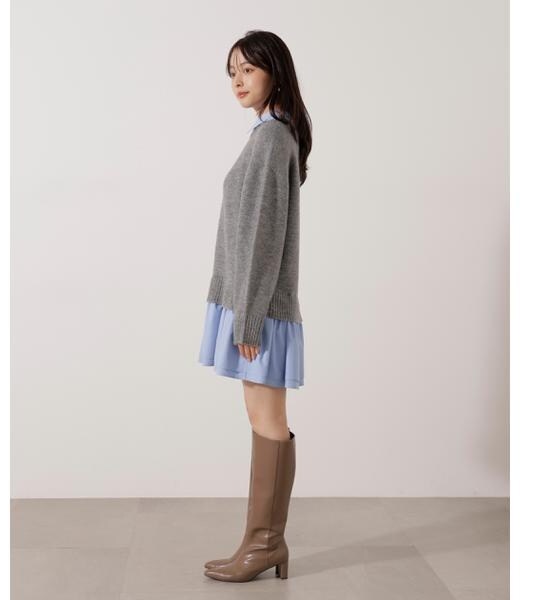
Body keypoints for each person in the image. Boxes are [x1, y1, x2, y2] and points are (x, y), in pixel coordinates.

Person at [198, 30, 312, 583]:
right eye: (232, 73)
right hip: (255, 303)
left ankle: (265, 544)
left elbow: (264, 239)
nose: (238, 81)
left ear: (274, 71)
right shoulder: (271, 134)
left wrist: (248, 317)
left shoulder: (270, 140)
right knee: (263, 417)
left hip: (259, 308)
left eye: (247, 69)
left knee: (268, 418)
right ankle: (260, 541)